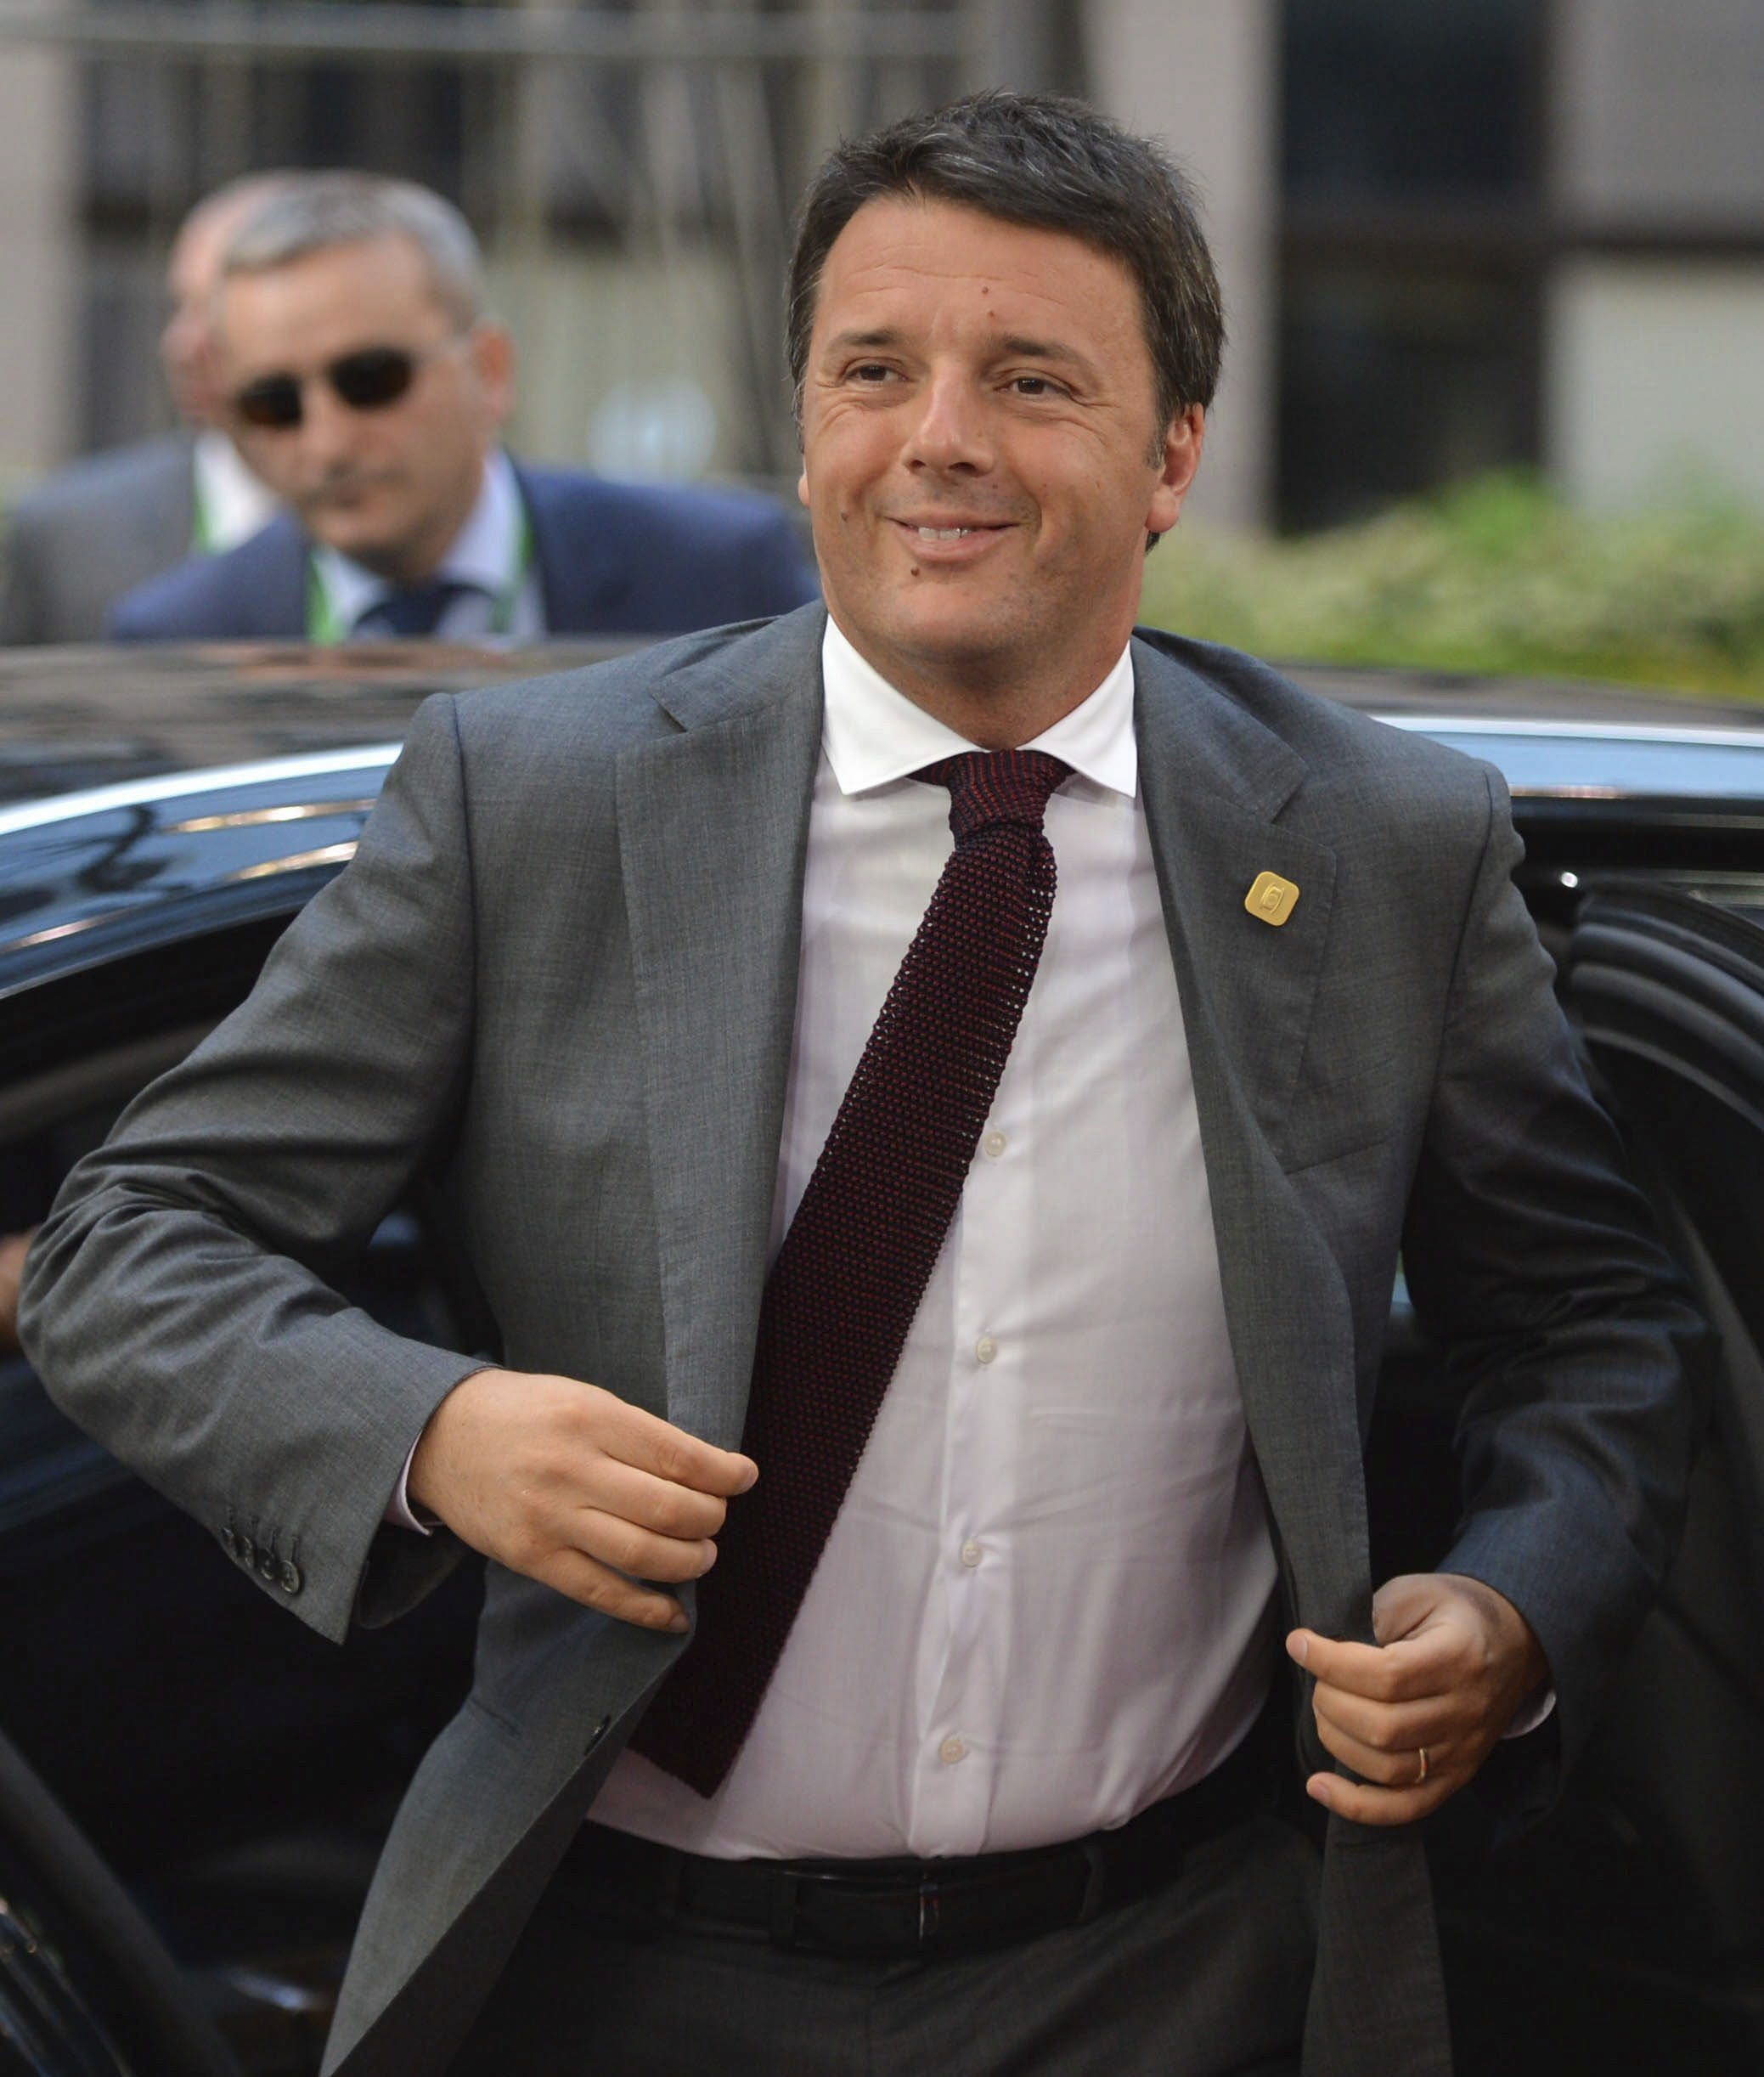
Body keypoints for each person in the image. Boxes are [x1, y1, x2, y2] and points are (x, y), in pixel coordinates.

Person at [20, 92, 1703, 2077]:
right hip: (618, 1977)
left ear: (1170, 453)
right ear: (806, 417)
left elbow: (1589, 1322)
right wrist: (433, 1429)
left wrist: (1511, 1613)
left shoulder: (1379, 845)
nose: (937, 438)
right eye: (873, 370)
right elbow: (132, 1244)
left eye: (1030, 379)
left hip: (1173, 1976)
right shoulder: (538, 802)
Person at [109, 174, 816, 642]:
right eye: (274, 404)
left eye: (371, 380)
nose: (327, 444)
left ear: (489, 369)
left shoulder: (716, 576)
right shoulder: (179, 639)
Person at [0, 174, 288, 645]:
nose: (181, 346)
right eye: (180, 306)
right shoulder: (67, 533)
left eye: (220, 312)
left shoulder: (400, 528)